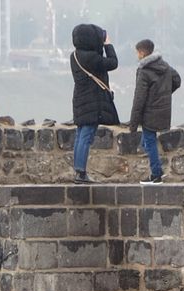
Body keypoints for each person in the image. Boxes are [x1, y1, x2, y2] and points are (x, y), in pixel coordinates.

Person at [70, 24, 119, 184]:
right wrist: (108, 45)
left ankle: (78, 170)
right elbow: (113, 63)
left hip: (80, 100)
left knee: (80, 134)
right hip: (92, 101)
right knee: (86, 135)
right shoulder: (91, 58)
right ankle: (81, 173)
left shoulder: (75, 55)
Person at [128, 39, 181, 184]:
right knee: (147, 141)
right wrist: (163, 94)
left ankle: (156, 174)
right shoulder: (165, 66)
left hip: (149, 112)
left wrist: (133, 124)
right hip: (163, 110)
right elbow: (177, 80)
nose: (137, 56)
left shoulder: (144, 71)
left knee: (149, 141)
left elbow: (139, 99)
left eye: (137, 53)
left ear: (142, 52)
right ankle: (157, 172)